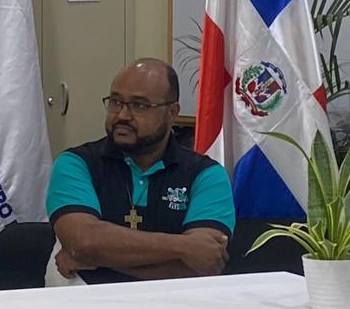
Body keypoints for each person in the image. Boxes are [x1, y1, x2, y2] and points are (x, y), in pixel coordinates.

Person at [45, 58, 234, 283]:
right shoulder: (76, 163)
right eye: (116, 102)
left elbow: (203, 264)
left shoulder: (206, 175)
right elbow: (83, 242)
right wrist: (184, 246)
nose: (122, 115)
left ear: (172, 112)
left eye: (139, 105)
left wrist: (100, 257)